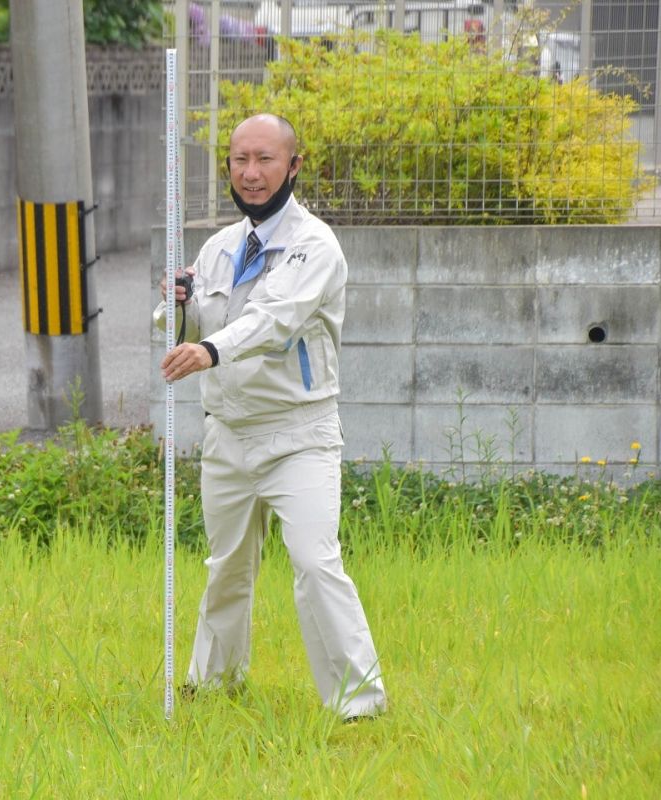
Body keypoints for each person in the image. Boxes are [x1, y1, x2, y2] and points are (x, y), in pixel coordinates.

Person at [155, 113, 387, 720]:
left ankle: (359, 705)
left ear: (294, 165)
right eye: (239, 160)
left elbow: (274, 318)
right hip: (226, 432)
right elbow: (187, 330)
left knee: (315, 560)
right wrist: (175, 307)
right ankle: (214, 685)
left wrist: (207, 348)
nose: (251, 174)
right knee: (227, 566)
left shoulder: (315, 246)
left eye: (264, 159)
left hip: (297, 436)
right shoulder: (217, 248)